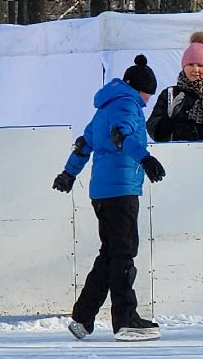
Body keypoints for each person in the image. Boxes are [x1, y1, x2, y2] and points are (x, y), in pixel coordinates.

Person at [53, 58, 167, 342]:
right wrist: (146, 158)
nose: (147, 100)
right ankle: (125, 319)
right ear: (139, 88)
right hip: (121, 190)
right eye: (147, 94)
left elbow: (84, 145)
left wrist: (68, 174)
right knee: (124, 254)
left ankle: (82, 318)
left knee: (110, 254)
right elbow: (123, 137)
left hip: (101, 193)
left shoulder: (103, 108)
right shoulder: (127, 106)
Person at [146, 33, 203, 142]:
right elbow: (155, 133)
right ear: (183, 66)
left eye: (200, 65)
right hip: (177, 154)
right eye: (191, 64)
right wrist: (169, 118)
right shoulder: (169, 94)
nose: (195, 69)